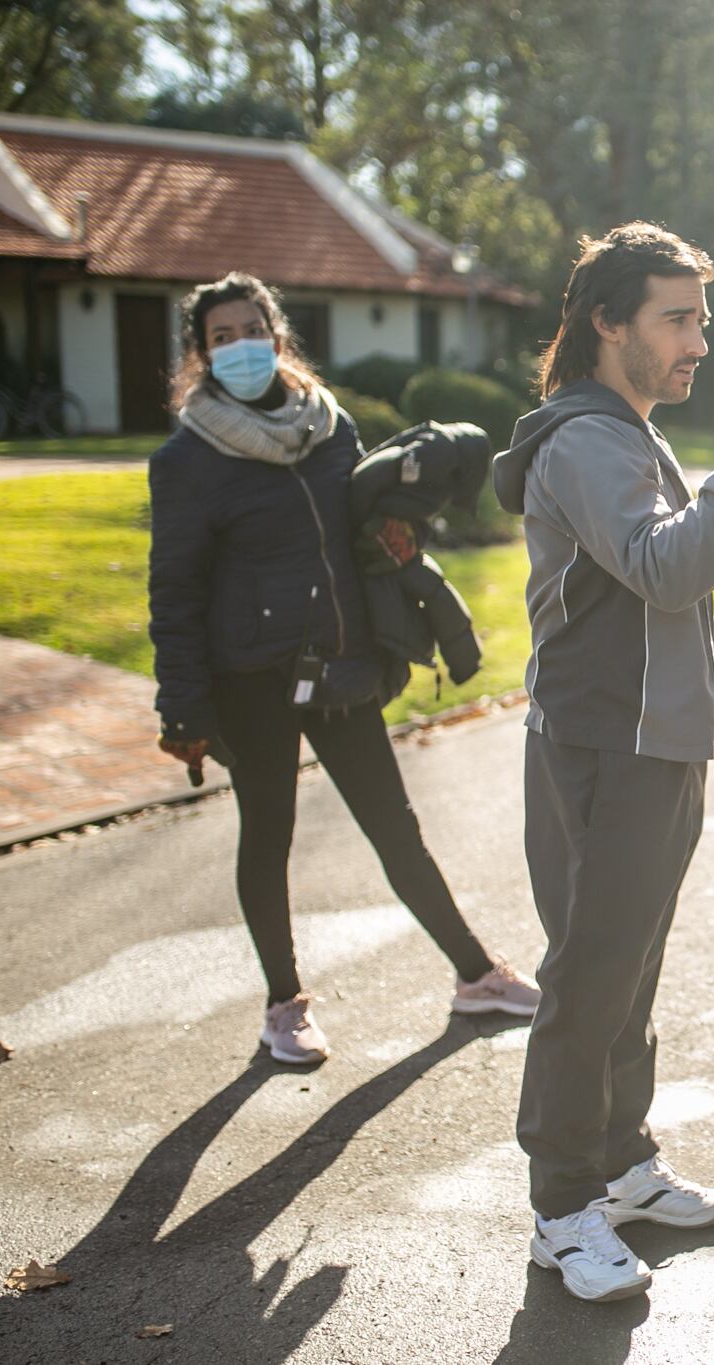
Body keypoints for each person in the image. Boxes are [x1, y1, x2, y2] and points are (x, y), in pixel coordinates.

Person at [490, 221, 714, 1303]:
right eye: (674, 319)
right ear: (606, 322)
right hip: (601, 750)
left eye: (699, 321)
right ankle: (559, 1207)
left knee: (629, 970)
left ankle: (620, 1165)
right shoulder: (586, 440)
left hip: (655, 748)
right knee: (588, 979)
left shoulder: (624, 430)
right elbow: (665, 573)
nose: (693, 341)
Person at [147, 272, 540, 1069]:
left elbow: (359, 535)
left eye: (251, 329)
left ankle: (476, 975)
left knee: (394, 825)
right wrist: (183, 711)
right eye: (221, 338)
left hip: (339, 665)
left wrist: (401, 541)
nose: (240, 347)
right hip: (249, 677)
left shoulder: (331, 430)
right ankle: (283, 1005)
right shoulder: (188, 459)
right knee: (269, 835)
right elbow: (175, 591)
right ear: (201, 355)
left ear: (278, 335)